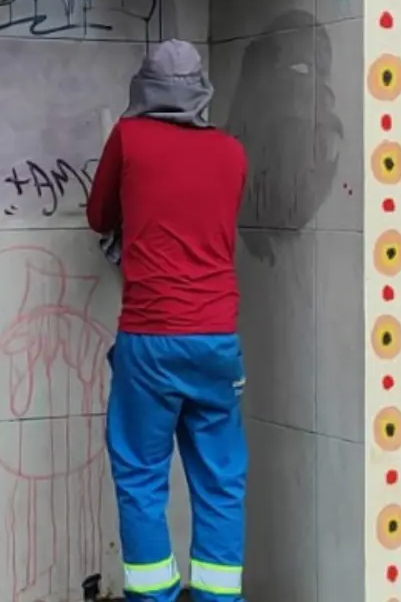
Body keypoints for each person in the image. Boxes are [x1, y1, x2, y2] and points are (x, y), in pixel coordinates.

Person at [86, 41, 248, 602]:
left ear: (144, 88)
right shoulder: (231, 152)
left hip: (152, 338)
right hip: (217, 340)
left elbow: (98, 214)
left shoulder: (130, 138)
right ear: (200, 90)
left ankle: (153, 595)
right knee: (222, 481)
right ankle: (217, 597)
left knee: (140, 477)